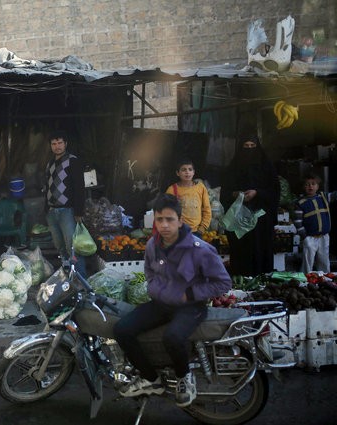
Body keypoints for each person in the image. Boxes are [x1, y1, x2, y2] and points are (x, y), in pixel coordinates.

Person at [113, 194, 231, 407]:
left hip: (190, 307)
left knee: (173, 337)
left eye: (169, 219)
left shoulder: (200, 249)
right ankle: (151, 379)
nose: (164, 225)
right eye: (159, 220)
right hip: (161, 304)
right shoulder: (152, 245)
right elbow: (149, 269)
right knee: (122, 329)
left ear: (180, 221)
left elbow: (223, 283)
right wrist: (154, 287)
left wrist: (191, 294)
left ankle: (184, 377)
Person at [220, 130, 280, 276]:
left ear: (258, 146)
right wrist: (236, 194)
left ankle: (262, 281)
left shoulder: (266, 167)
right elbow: (224, 193)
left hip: (261, 220)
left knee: (261, 251)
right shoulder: (233, 169)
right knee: (242, 254)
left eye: (252, 145)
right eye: (246, 146)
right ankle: (241, 283)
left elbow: (274, 191)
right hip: (240, 223)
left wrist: (257, 193)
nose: (249, 149)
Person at [43, 130, 86, 276]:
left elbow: (80, 188)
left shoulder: (72, 161)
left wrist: (79, 212)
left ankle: (80, 279)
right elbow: (48, 186)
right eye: (54, 144)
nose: (57, 146)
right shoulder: (50, 164)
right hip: (52, 211)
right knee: (60, 247)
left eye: (60, 143)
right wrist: (46, 209)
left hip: (67, 211)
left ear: (65, 144)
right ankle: (67, 276)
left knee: (72, 247)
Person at [295, 172, 336, 273]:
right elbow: (298, 222)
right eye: (307, 184)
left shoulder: (324, 197)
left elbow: (335, 195)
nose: (310, 186)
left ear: (318, 186)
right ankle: (305, 281)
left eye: (313, 184)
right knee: (308, 262)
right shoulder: (300, 203)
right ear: (303, 187)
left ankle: (326, 280)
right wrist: (305, 237)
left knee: (324, 261)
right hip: (310, 237)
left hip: (324, 237)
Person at [164, 158, 211, 237]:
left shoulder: (200, 187)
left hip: (197, 231)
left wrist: (203, 226)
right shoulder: (172, 190)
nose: (187, 172)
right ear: (177, 173)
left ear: (193, 172)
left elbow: (207, 208)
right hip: (179, 231)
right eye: (183, 170)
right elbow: (166, 210)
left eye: (190, 169)